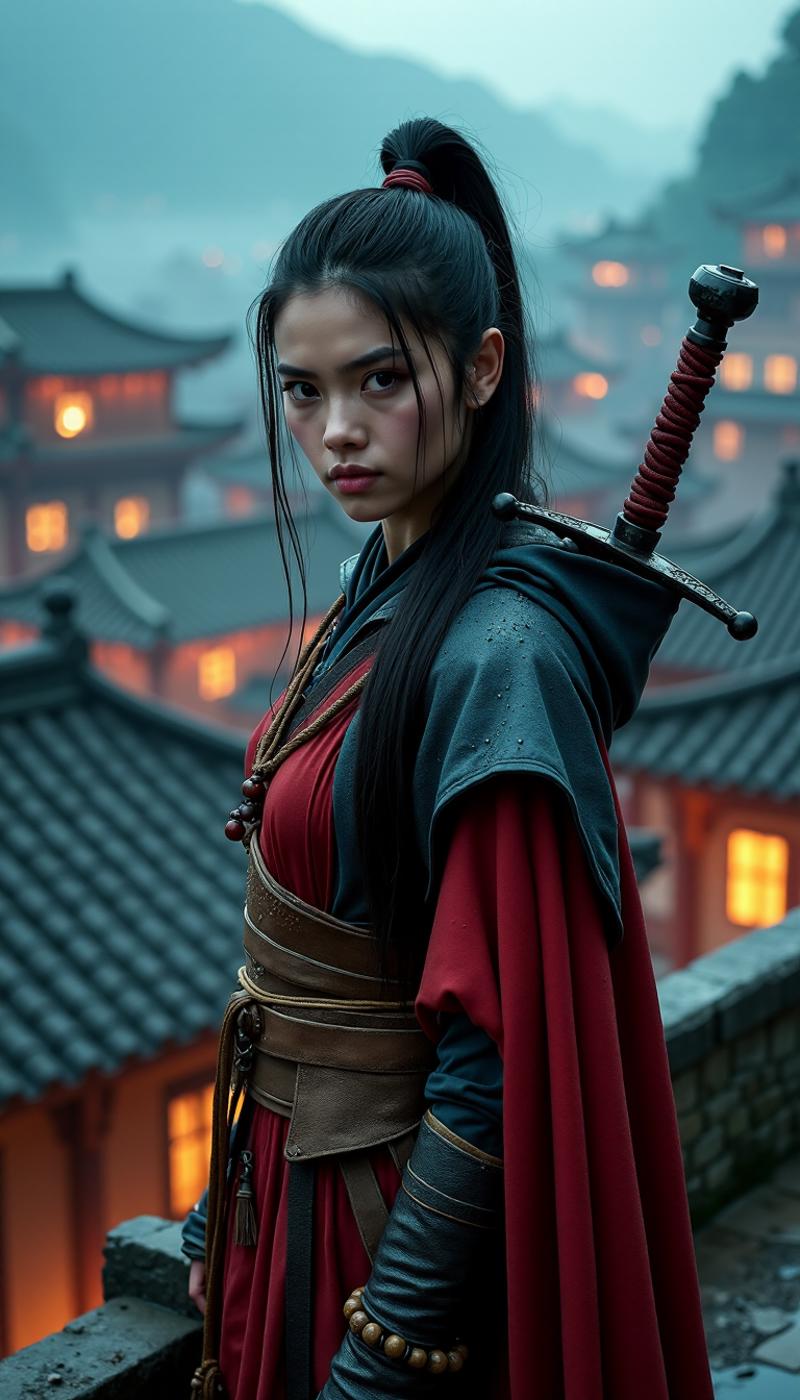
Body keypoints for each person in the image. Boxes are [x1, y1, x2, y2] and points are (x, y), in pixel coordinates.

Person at [183, 117, 714, 1399]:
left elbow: (487, 1057)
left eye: (378, 379)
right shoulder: (391, 575)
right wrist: (221, 1206)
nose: (334, 434)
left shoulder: (498, 654)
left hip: (370, 1241)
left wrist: (381, 1352)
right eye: (302, 391)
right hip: (282, 1190)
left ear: (481, 369)